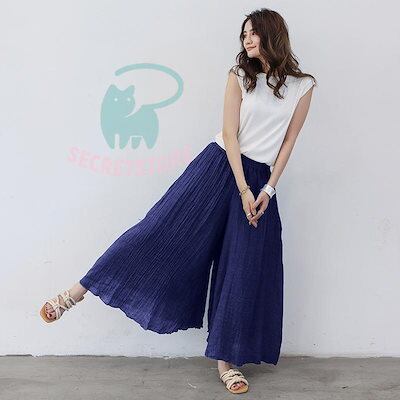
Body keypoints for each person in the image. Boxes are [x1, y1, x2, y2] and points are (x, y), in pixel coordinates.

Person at [40, 8, 316, 395]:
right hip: (219, 168)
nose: (247, 40)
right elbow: (230, 135)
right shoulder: (239, 76)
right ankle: (75, 292)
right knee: (158, 233)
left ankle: (227, 362)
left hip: (260, 182)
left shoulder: (303, 86)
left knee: (242, 268)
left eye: (253, 33)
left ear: (272, 34)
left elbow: (288, 141)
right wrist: (242, 189)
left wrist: (267, 190)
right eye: (244, 35)